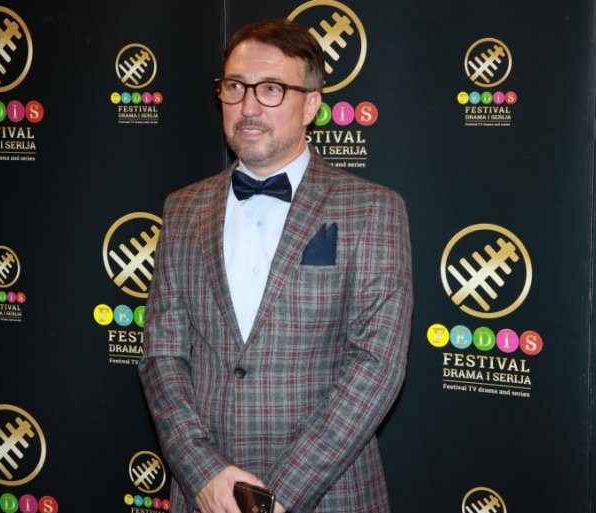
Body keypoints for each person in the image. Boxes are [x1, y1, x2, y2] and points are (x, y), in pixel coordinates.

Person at [139, 19, 413, 513]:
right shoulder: (182, 208)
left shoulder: (371, 208)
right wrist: (203, 471)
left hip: (327, 495)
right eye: (235, 87)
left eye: (271, 89)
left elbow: (376, 366)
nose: (248, 107)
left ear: (311, 105)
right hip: (207, 497)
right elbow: (162, 354)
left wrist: (271, 499)